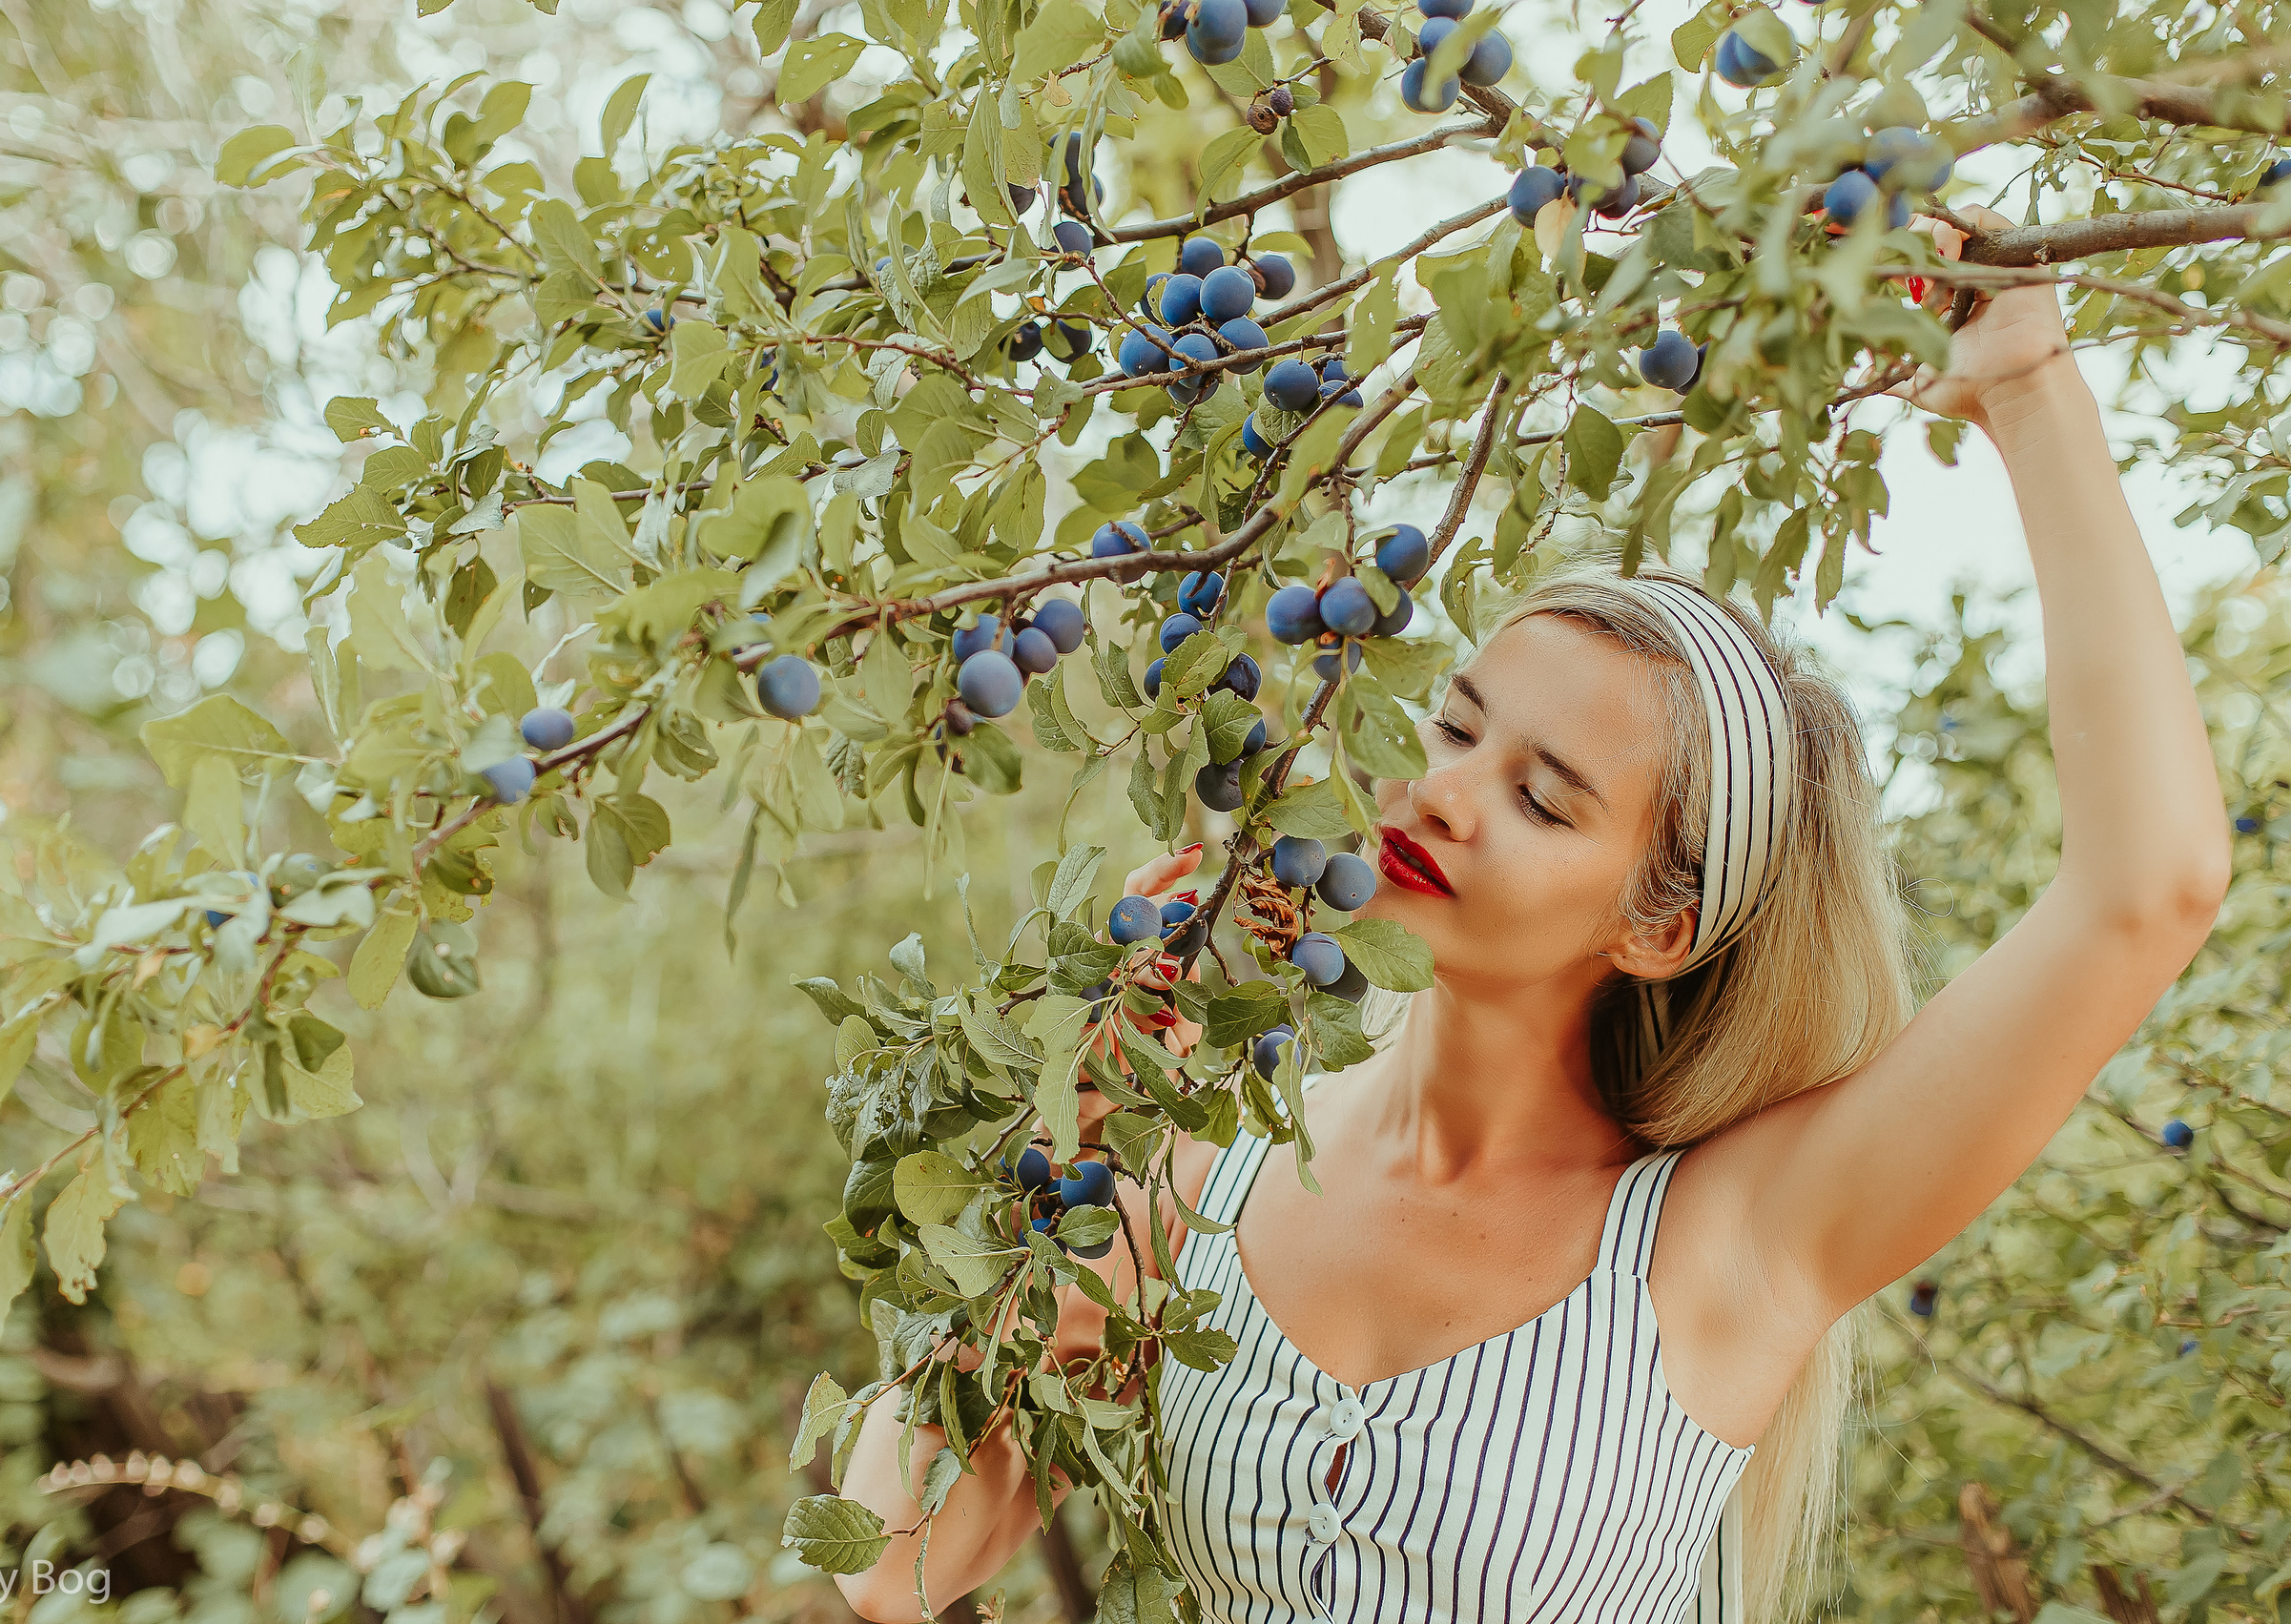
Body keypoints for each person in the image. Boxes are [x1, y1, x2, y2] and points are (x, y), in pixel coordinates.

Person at [832, 205, 2230, 1623]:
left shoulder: (1727, 1245)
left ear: (1658, 926)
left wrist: (2026, 381)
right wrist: (1076, 1153)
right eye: (1451, 728)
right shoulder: (1200, 1184)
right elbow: (890, 1559)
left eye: (1545, 800)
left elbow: (2149, 890)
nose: (1444, 795)